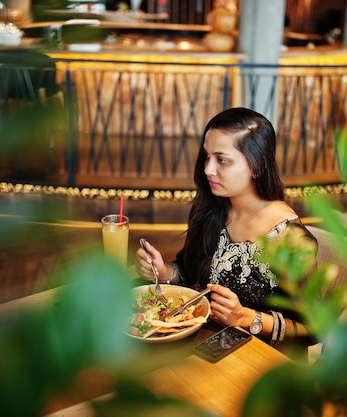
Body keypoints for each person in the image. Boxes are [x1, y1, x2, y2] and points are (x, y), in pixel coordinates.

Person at [135, 107, 318, 355]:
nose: (208, 169)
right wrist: (165, 272)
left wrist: (245, 317)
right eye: (207, 156)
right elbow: (191, 274)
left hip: (261, 362)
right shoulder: (213, 208)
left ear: (257, 165)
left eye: (222, 160)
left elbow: (312, 329)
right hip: (207, 345)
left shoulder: (288, 238)